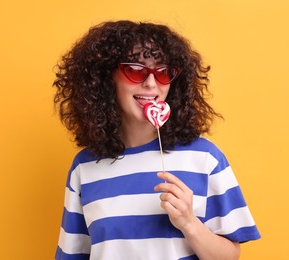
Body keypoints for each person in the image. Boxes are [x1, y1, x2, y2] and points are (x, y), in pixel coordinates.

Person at [53, 20, 260, 260]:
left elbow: (230, 257)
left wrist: (189, 223)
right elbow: (73, 254)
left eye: (163, 72)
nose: (151, 83)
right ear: (107, 77)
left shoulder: (205, 158)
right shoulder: (85, 167)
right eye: (135, 70)